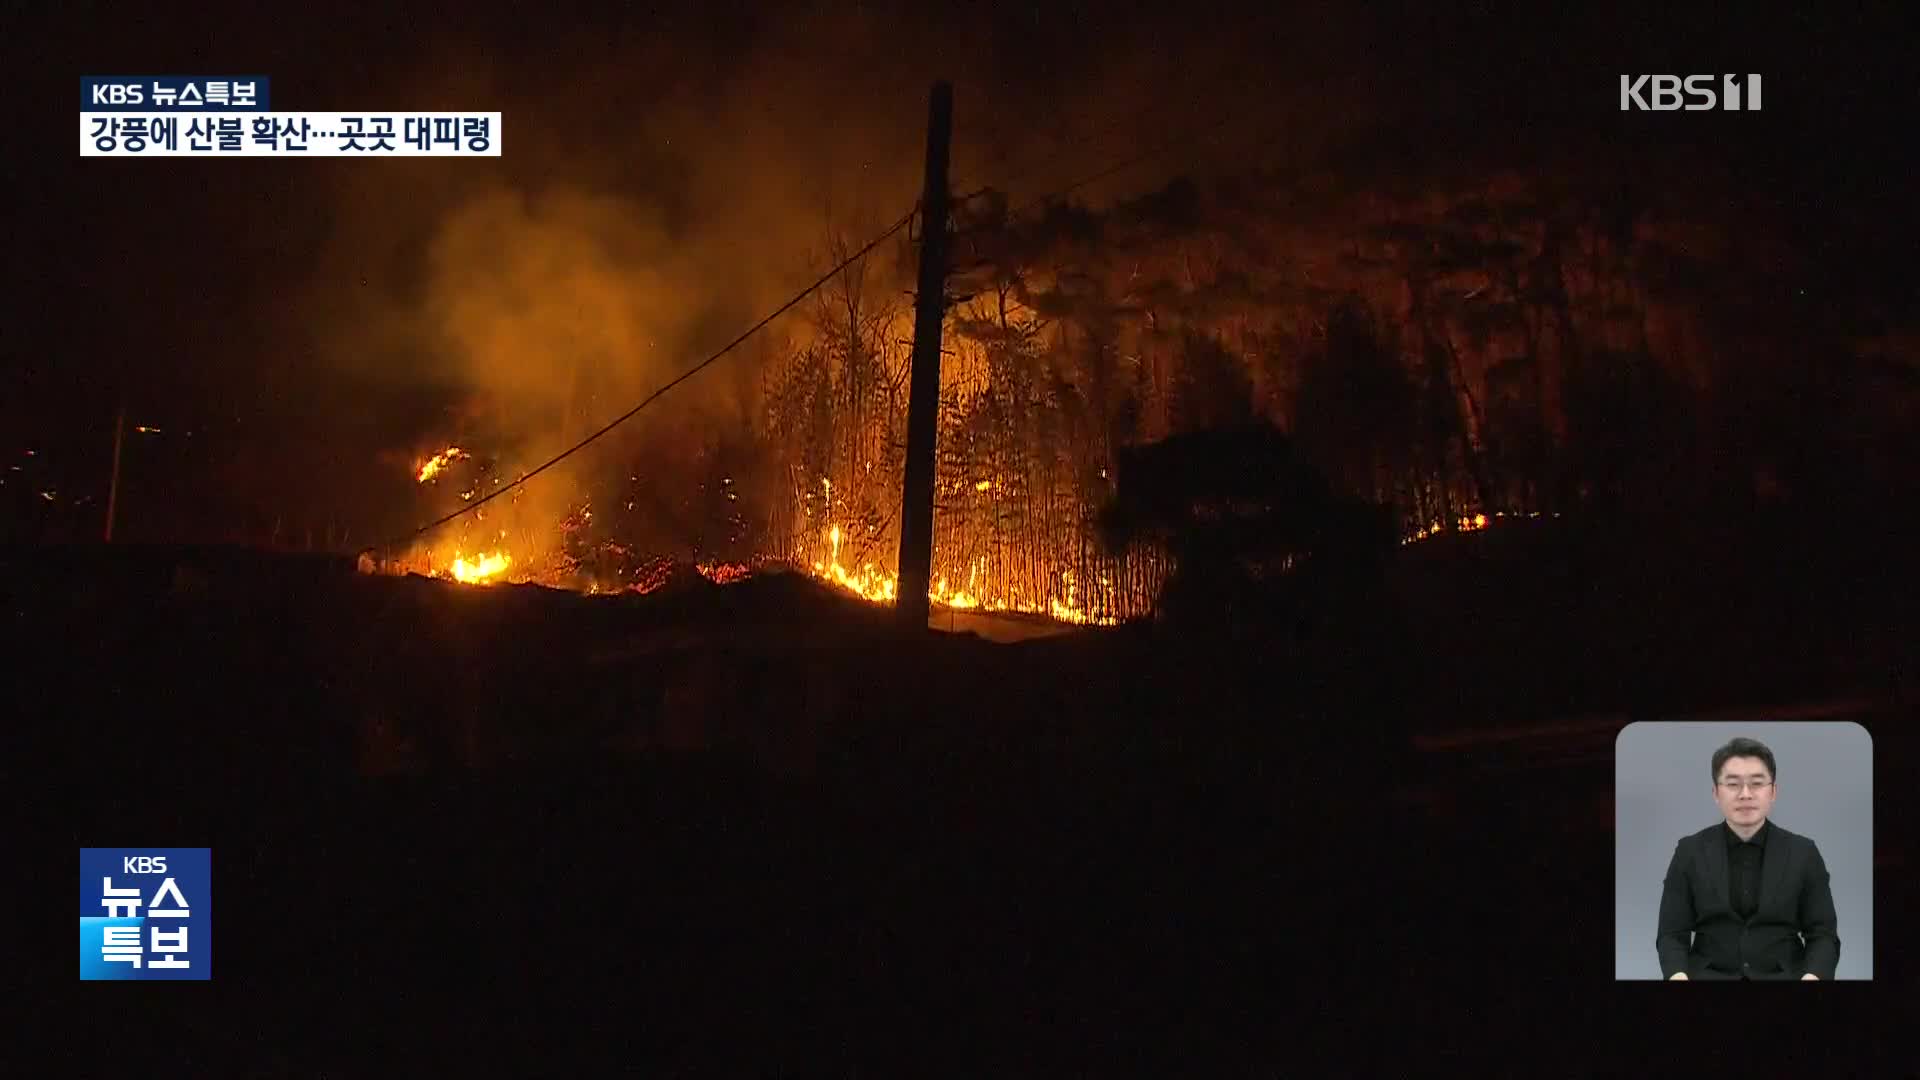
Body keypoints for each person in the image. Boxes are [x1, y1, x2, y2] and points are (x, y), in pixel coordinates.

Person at [1656, 737, 1840, 980]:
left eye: (1757, 783)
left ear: (1773, 791)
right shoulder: (1689, 851)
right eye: (1733, 784)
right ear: (1715, 793)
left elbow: (1823, 934)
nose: (1745, 794)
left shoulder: (1804, 852)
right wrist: (1677, 976)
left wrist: (1813, 976)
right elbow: (1671, 933)